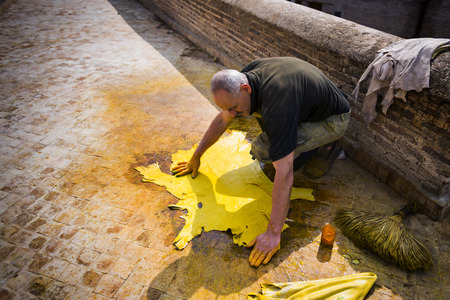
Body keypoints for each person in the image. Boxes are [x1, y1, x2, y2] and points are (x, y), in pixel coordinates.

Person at [172, 57, 350, 267]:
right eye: (229, 108)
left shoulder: (278, 107)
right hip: (307, 106)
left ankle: (329, 147)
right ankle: (300, 143)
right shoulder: (246, 78)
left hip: (332, 120)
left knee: (264, 149)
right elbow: (223, 119)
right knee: (273, 140)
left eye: (235, 108)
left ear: (245, 88)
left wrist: (273, 233)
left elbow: (284, 174)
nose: (233, 114)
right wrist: (196, 156)